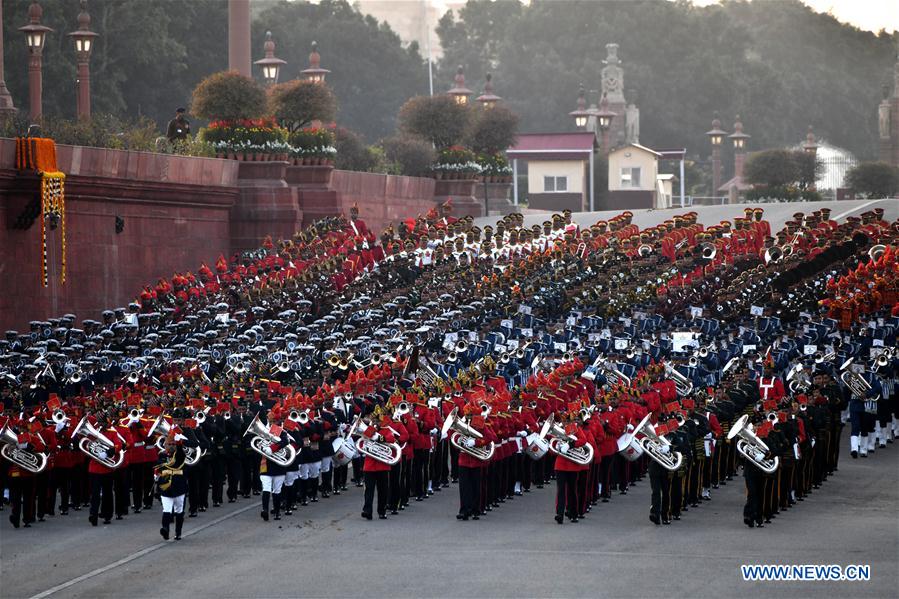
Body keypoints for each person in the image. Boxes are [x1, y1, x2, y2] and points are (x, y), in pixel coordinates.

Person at [156, 432, 188, 540]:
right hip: (166, 486)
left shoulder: (180, 455)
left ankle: (178, 532)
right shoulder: (161, 455)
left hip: (179, 486)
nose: (171, 446)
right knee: (166, 510)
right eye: (169, 444)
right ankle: (165, 529)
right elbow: (159, 468)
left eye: (173, 444)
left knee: (179, 511)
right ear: (164, 445)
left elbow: (177, 459)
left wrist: (179, 444)